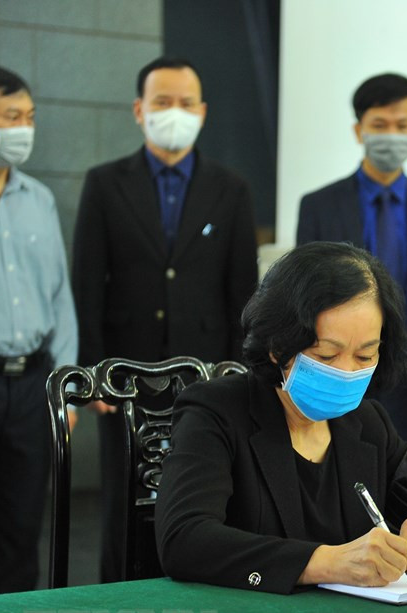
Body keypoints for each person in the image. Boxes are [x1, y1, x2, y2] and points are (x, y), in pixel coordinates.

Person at [154, 242, 407, 593]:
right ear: (279, 347)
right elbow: (185, 539)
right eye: (326, 355)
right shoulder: (216, 412)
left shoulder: (366, 424)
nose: (346, 372)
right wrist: (327, 563)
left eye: (365, 356)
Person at [71, 56, 258, 582]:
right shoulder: (105, 184)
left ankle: (189, 592)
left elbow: (243, 293)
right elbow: (87, 281)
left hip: (206, 378)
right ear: (139, 110)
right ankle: (118, 593)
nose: (173, 112)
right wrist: (93, 370)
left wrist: (240, 373)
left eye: (184, 103)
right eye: (161, 102)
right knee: (121, 499)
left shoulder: (231, 188)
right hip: (125, 376)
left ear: (202, 111)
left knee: (199, 496)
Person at [296, 73, 407, 452]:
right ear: (359, 131)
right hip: (343, 373)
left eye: (402, 125)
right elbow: (300, 302)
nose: (392, 134)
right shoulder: (320, 206)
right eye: (380, 125)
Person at [0, 65, 78, 594]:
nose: (24, 128)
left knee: (20, 526)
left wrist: (64, 384)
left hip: (34, 382)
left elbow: (59, 294)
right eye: (10, 117)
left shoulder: (39, 199)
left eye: (30, 117)